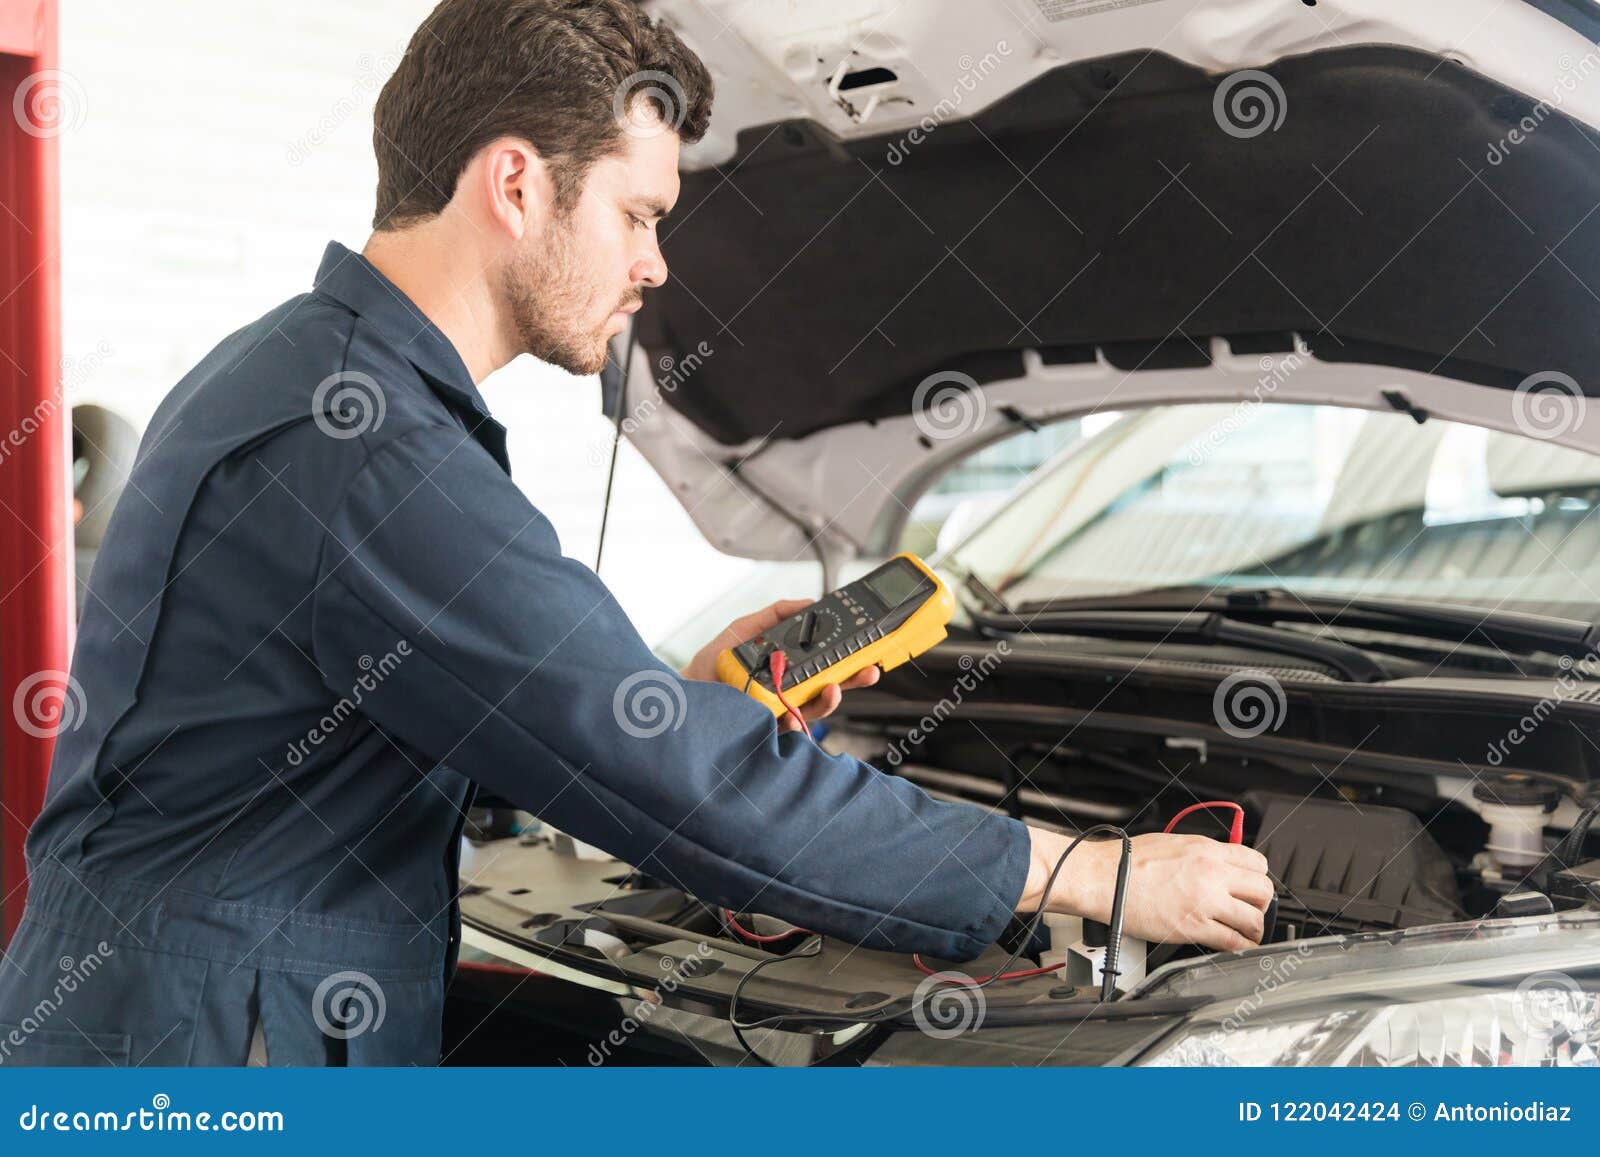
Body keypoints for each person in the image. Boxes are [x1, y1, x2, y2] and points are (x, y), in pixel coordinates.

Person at [0, 0, 1271, 1066]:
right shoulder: (370, 448)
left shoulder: (301, 370)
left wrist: (674, 694)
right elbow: (686, 788)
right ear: (514, 184)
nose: (658, 266)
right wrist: (1080, 870)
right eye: (639, 213)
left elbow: (399, 706)